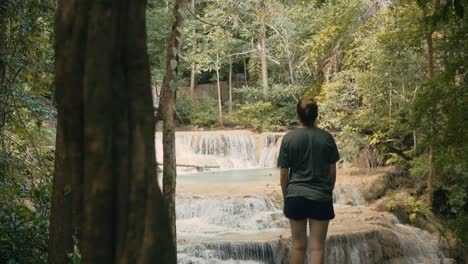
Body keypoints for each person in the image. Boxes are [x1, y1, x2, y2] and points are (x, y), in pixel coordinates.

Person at [277, 96, 339, 264]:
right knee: (317, 247)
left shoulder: (289, 138)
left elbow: (284, 174)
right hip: (320, 197)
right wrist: (327, 191)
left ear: (298, 116)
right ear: (316, 115)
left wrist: (287, 197)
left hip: (295, 196)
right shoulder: (326, 138)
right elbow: (332, 171)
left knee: (298, 247)